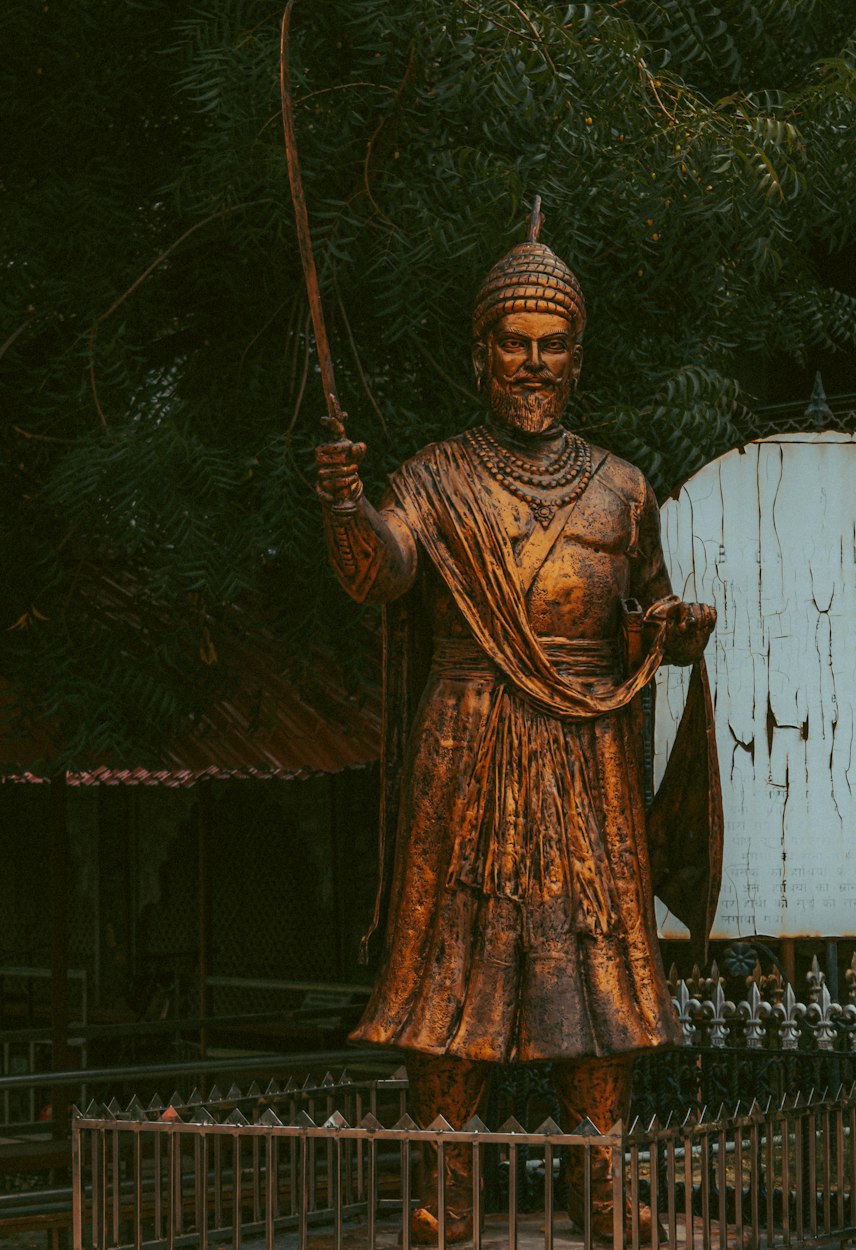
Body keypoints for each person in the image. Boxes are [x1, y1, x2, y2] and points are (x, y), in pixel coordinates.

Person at [315, 224, 720, 1243]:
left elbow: (648, 613)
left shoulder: (622, 486)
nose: (533, 362)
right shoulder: (435, 476)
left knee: (598, 968)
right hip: (468, 745)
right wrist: (343, 506)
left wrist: (672, 630)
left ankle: (599, 1182)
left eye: (552, 344)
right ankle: (442, 1188)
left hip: (586, 749)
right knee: (451, 968)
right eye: (514, 341)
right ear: (479, 352)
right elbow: (379, 573)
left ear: (577, 357)